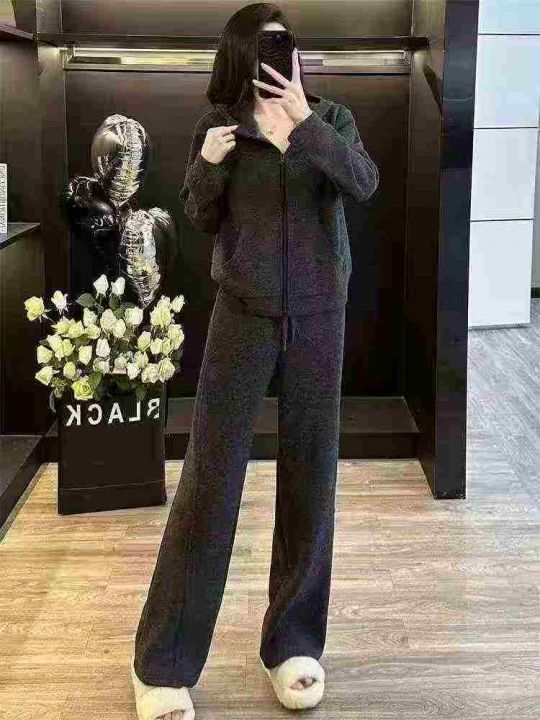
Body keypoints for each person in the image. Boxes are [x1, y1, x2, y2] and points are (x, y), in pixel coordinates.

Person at [130, 4, 379, 719]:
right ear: (240, 55)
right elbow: (200, 214)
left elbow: (363, 183)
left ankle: (294, 643)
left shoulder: (331, 119)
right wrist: (209, 165)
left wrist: (303, 125)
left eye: (285, 46)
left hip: (320, 318)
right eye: (264, 49)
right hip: (242, 316)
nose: (277, 59)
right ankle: (162, 663)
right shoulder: (222, 126)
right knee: (210, 483)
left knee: (311, 477)